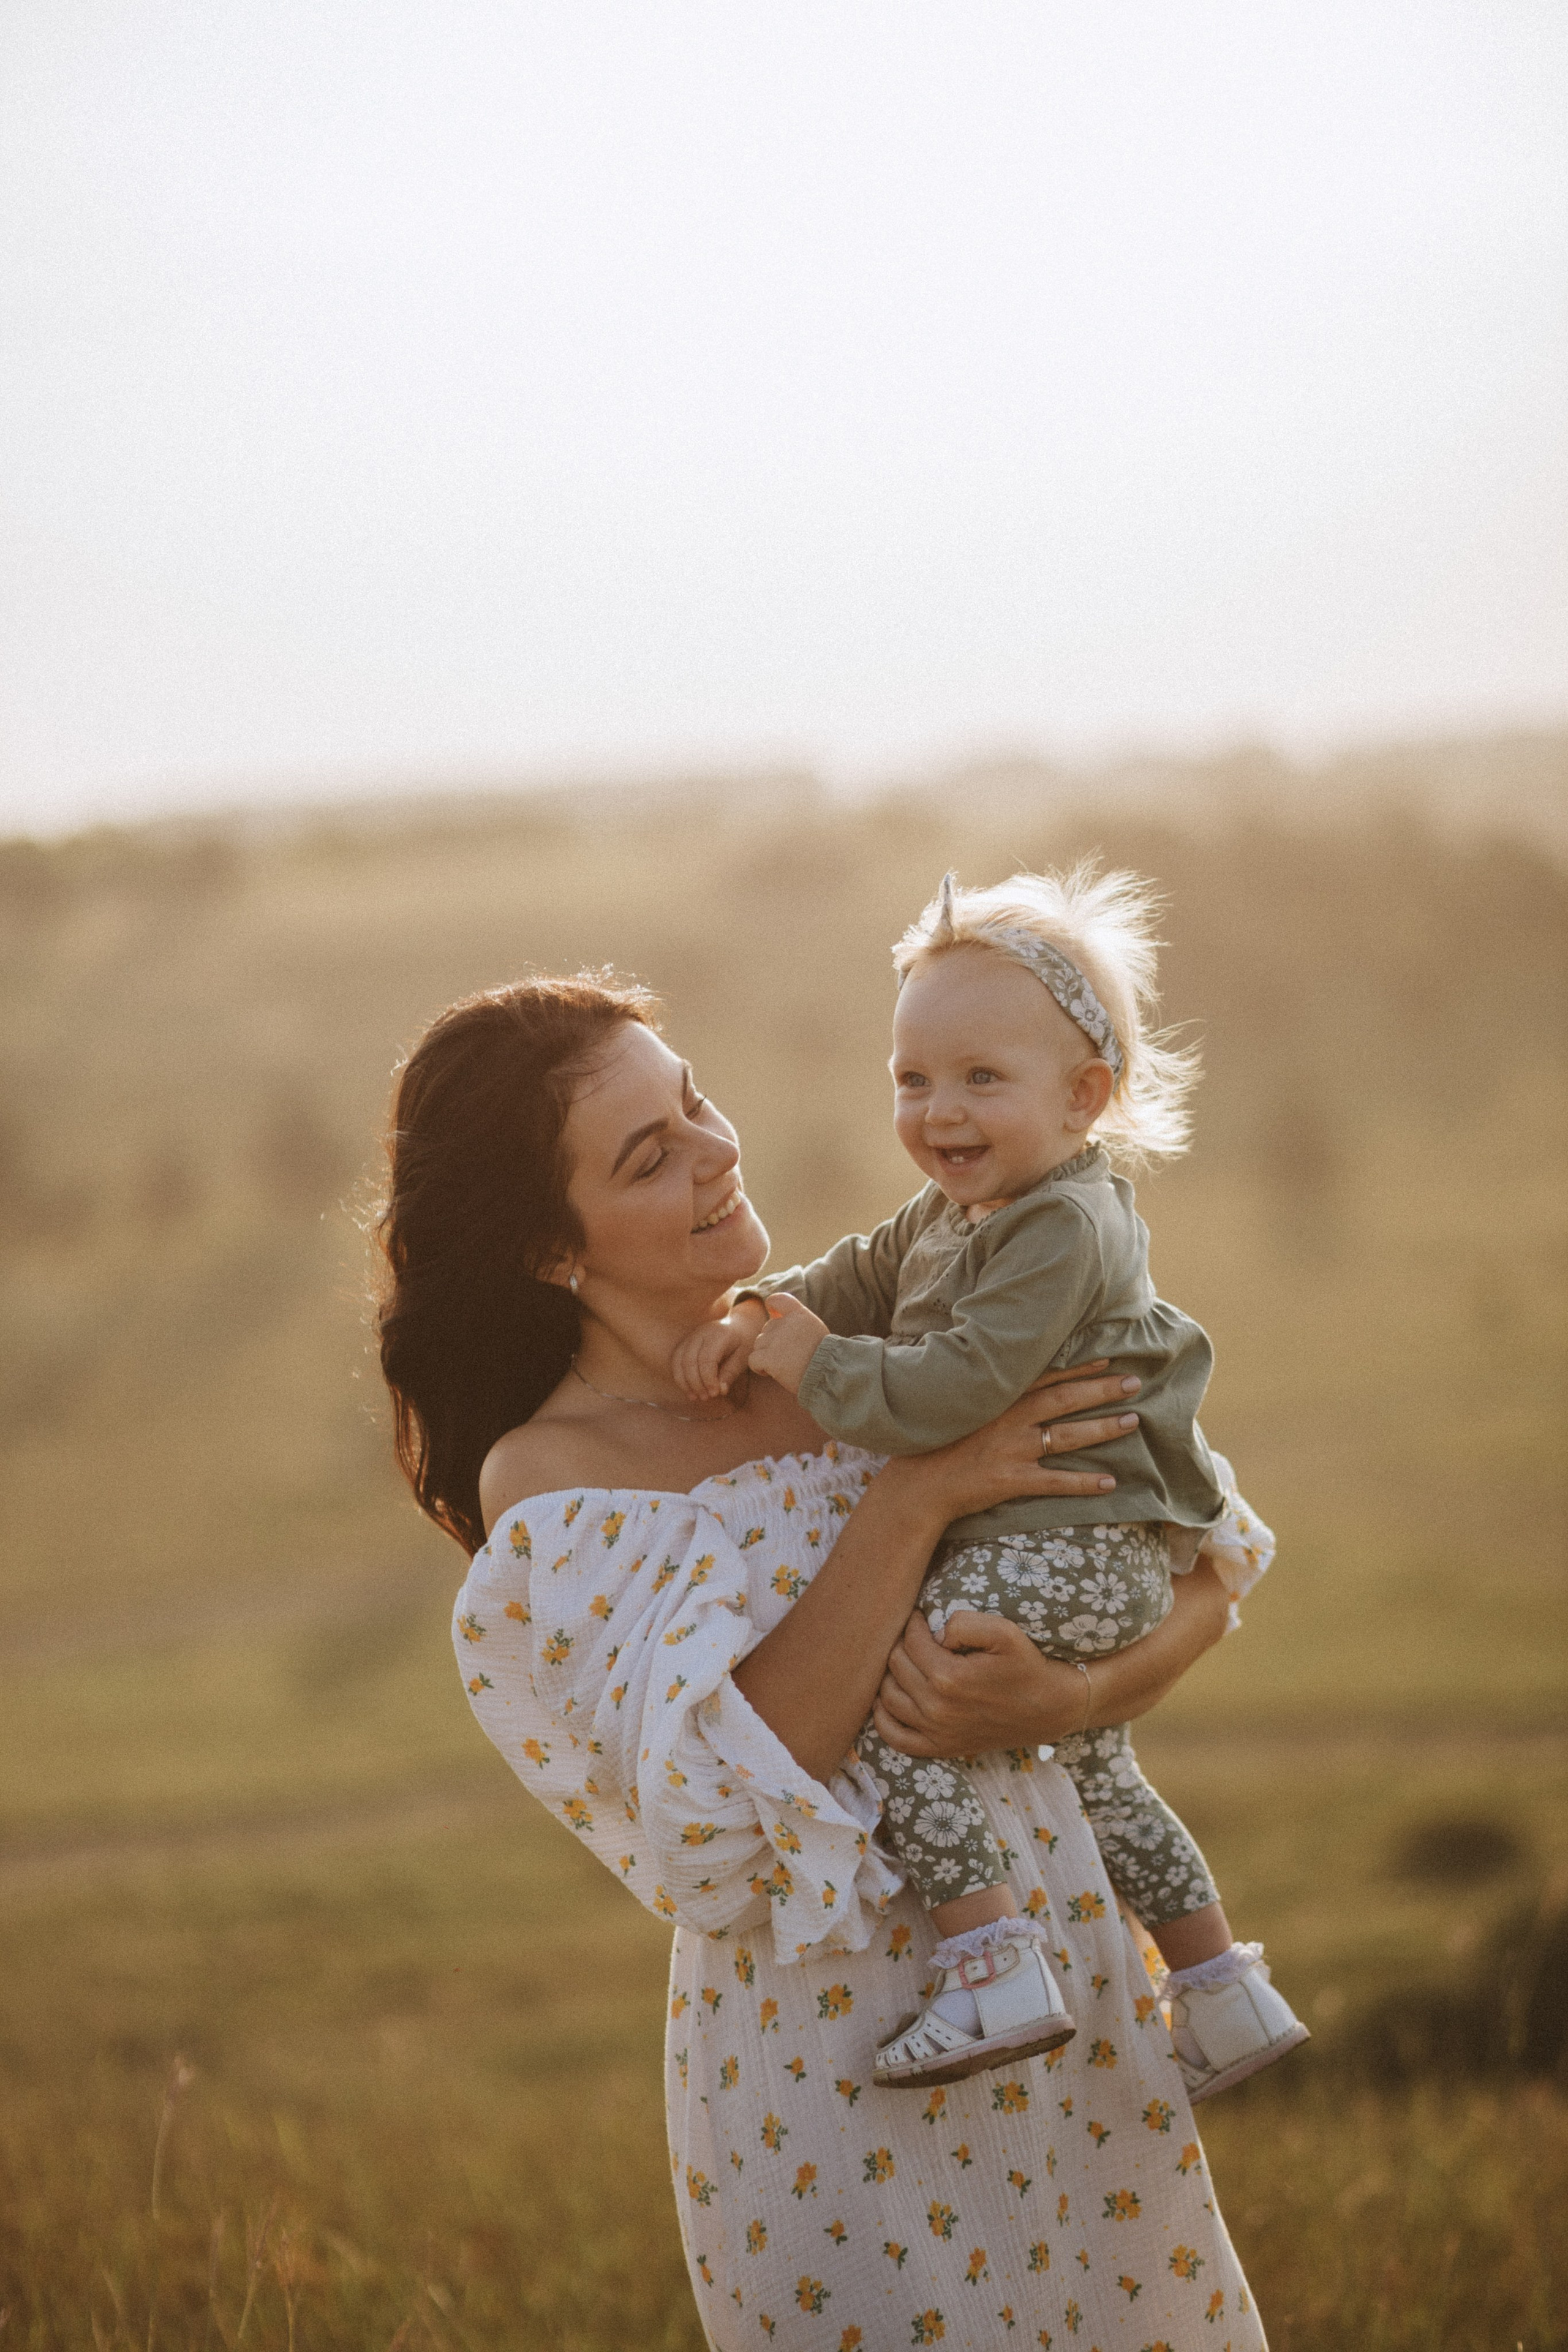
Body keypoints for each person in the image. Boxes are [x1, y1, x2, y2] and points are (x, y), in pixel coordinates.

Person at [377, 973, 1268, 2350]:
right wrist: (912, 1499)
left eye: (693, 1106)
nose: (712, 1150)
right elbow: (732, 1809)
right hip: (835, 2071)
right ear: (552, 1251)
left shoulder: (894, 1336)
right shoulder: (554, 1483)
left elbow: (1203, 1568)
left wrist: (1073, 1699)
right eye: (647, 1155)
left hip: (1080, 2002)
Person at [673, 866, 1307, 2098]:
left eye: (979, 1079)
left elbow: (951, 1393)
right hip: (1081, 1552)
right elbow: (861, 1270)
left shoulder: (1064, 1228)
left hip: (1067, 1548)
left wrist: (810, 1364)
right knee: (1105, 1773)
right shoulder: (963, 1209)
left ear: (1084, 1098)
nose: (937, 1112)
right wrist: (765, 1304)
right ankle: (1223, 1992)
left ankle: (992, 1962)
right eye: (912, 1079)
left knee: (897, 1710)